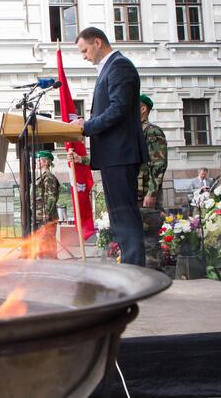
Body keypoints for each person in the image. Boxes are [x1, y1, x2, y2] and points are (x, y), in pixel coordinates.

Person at [69, 27, 148, 267]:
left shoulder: (119, 66)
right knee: (119, 217)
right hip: (114, 155)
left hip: (120, 154)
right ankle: (132, 268)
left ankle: (135, 272)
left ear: (97, 42)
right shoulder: (110, 68)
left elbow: (118, 109)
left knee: (124, 217)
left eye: (85, 50)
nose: (84, 56)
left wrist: (87, 126)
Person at [137, 94, 168, 267]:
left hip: (145, 195)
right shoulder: (135, 131)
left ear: (143, 109)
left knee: (149, 240)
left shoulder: (152, 132)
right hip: (135, 192)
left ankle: (154, 278)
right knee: (138, 239)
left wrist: (152, 192)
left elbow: (159, 163)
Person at [34, 150, 59, 259]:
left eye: (38, 160)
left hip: (46, 217)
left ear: (45, 162)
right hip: (40, 215)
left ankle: (50, 265)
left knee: (47, 245)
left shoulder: (48, 177)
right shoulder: (42, 176)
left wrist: (46, 215)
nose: (36, 162)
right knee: (42, 245)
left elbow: (51, 197)